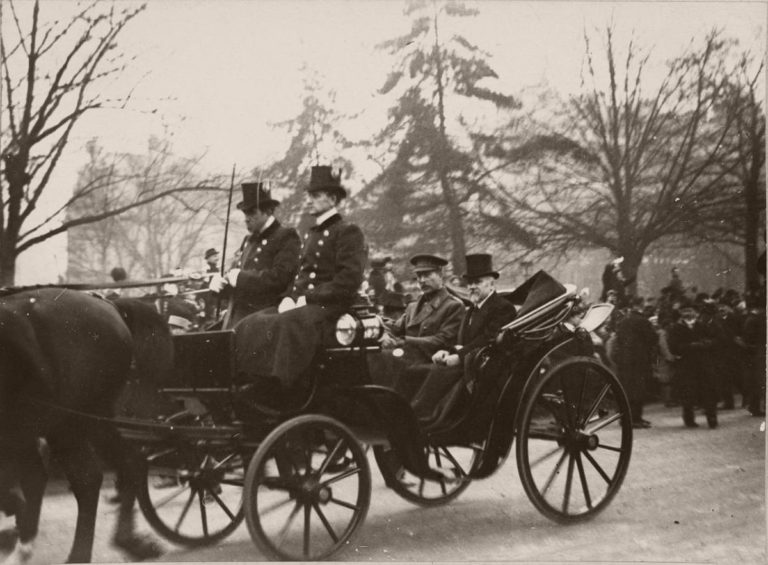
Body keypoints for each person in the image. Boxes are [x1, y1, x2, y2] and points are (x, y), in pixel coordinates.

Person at [233, 165, 367, 387]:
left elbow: (348, 281)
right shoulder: (312, 234)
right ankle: (251, 379)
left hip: (331, 307)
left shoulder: (347, 231)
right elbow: (301, 275)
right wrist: (290, 296)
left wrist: (309, 298)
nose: (309, 200)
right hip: (308, 304)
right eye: (309, 195)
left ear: (332, 198)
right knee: (252, 322)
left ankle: (282, 387)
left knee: (288, 323)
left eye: (315, 195)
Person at [409, 254, 517, 422]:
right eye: (470, 283)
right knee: (430, 367)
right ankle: (423, 415)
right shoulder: (472, 310)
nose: (472, 287)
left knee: (439, 370)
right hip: (470, 360)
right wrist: (446, 351)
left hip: (489, 365)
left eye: (478, 282)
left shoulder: (503, 308)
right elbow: (461, 341)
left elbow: (487, 339)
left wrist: (458, 357)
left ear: (491, 283)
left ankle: (421, 416)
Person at [208, 182, 301, 328]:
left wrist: (241, 277)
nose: (246, 218)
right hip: (235, 320)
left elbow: (280, 279)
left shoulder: (286, 237)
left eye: (252, 212)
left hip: (263, 320)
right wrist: (221, 287)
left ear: (268, 211)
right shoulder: (248, 241)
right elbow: (238, 287)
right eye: (245, 213)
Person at [380, 254, 465, 366]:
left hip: (431, 361)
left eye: (427, 275)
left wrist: (406, 340)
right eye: (419, 276)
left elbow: (442, 340)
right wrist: (384, 334)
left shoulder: (453, 306)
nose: (422, 280)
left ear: (440, 275)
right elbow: (395, 327)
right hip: (408, 358)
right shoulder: (413, 306)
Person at [667, 300, 718, 428]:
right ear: (680, 313)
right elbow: (673, 347)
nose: (687, 313)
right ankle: (689, 418)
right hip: (686, 364)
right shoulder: (675, 328)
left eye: (690, 311)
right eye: (684, 311)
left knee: (708, 390)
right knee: (688, 392)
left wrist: (706, 344)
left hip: (704, 363)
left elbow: (714, 340)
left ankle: (712, 417)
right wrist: (690, 346)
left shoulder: (702, 326)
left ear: (695, 312)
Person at [614, 297, 658, 429]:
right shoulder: (643, 321)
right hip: (639, 360)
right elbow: (652, 338)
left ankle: (626, 419)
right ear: (641, 305)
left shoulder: (623, 321)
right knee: (639, 389)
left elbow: (619, 339)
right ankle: (636, 418)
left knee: (627, 389)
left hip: (625, 360)